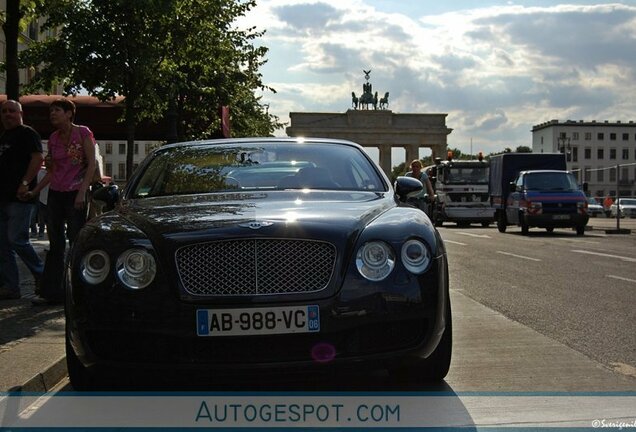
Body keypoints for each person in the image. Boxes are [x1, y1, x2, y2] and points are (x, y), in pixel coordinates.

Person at [29, 98, 96, 306]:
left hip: (75, 191)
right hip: (56, 194)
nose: (52, 114)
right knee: (55, 243)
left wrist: (81, 193)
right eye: (51, 111)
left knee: (76, 240)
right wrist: (35, 191)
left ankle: (79, 289)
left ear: (69, 113)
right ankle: (52, 292)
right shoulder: (54, 138)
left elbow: (91, 164)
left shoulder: (83, 132)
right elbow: (52, 171)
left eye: (57, 110)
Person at [0, 100, 45, 300]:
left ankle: (42, 276)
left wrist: (26, 183)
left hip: (20, 198)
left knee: (17, 240)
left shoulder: (28, 134)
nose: (7, 114)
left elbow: (37, 158)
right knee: (2, 244)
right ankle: (11, 286)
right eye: (4, 111)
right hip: (2, 197)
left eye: (11, 111)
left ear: (20, 113)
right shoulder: (3, 136)